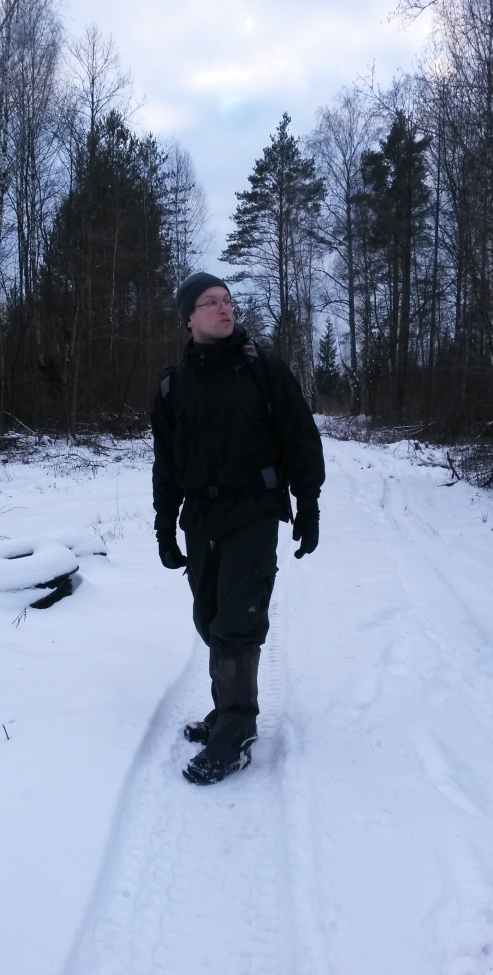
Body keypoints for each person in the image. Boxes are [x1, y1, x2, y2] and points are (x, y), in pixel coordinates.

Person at [151, 272, 326, 785]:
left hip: (252, 511)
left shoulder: (263, 369)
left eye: (227, 300)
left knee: (238, 620)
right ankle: (225, 709)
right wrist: (165, 526)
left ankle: (236, 730)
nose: (224, 308)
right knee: (209, 617)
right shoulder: (172, 385)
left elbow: (300, 436)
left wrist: (308, 504)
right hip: (200, 516)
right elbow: (166, 464)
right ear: (189, 317)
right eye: (210, 302)